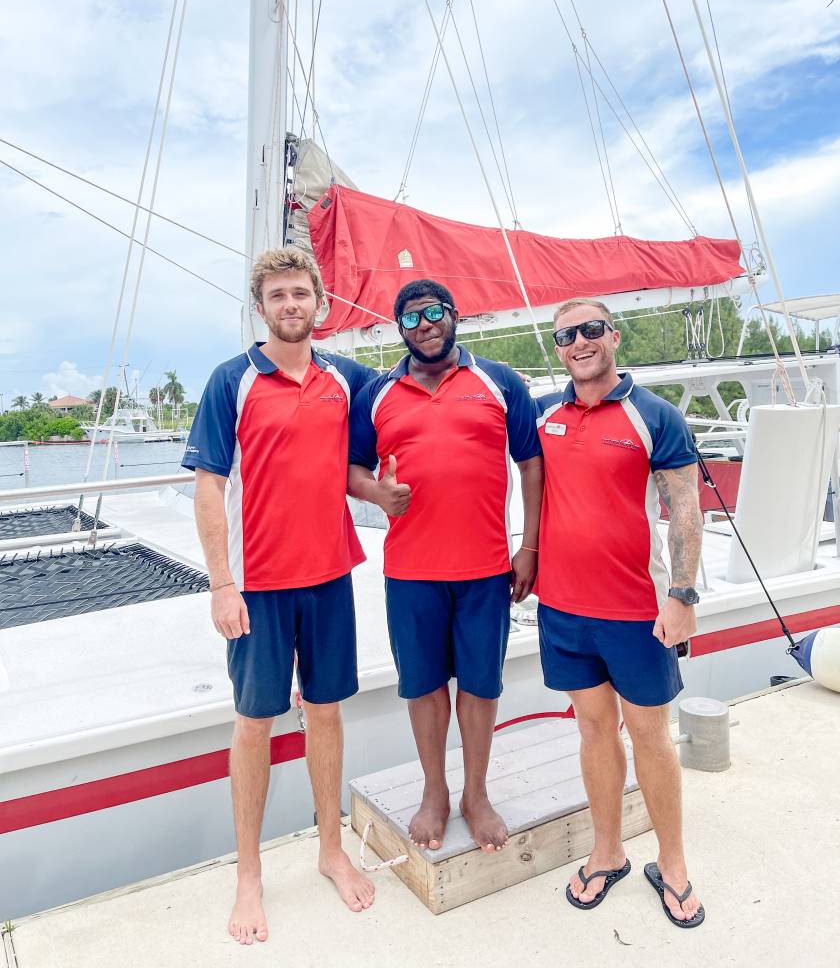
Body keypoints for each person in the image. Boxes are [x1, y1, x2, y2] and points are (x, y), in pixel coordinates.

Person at [183, 247, 376, 946]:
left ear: (319, 303)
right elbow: (209, 487)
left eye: (301, 293)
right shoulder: (231, 381)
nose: (291, 304)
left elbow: (415, 396)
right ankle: (249, 874)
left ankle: (330, 850)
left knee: (324, 713)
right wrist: (221, 584)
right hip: (257, 587)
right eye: (277, 295)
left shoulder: (345, 378)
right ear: (260, 307)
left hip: (328, 577)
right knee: (255, 723)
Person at [347, 279, 543, 854]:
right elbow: (351, 469)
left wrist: (528, 547)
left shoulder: (499, 381)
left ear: (454, 316)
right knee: (425, 686)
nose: (425, 325)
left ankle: (475, 795)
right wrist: (377, 495)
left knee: (481, 686)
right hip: (410, 571)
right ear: (399, 329)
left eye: (434, 312)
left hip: (485, 570)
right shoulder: (378, 393)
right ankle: (434, 792)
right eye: (411, 318)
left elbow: (531, 465)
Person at [534, 298, 705, 928]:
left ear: (614, 336)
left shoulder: (652, 415)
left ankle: (675, 862)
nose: (578, 342)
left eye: (590, 330)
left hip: (636, 610)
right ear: (557, 348)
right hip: (563, 609)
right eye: (564, 335)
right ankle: (608, 854)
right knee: (593, 730)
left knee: (651, 735)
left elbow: (685, 507)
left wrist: (683, 594)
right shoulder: (543, 415)